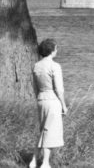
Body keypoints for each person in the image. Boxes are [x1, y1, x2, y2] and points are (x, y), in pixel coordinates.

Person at [29, 38, 68, 168]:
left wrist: (38, 98)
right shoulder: (55, 66)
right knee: (49, 132)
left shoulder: (36, 66)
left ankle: (34, 161)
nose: (57, 50)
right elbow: (59, 89)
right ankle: (45, 163)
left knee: (43, 131)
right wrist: (64, 105)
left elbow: (35, 87)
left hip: (41, 99)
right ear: (52, 50)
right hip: (52, 101)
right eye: (56, 48)